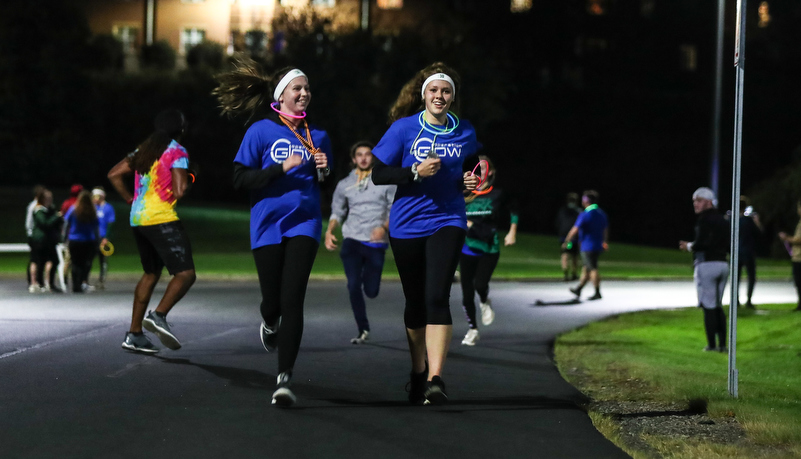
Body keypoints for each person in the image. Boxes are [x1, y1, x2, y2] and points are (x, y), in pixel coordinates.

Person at [214, 59, 332, 407]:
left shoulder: (319, 135)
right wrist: (279, 168)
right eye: (298, 88)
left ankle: (284, 377)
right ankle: (269, 321)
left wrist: (324, 171)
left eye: (307, 88)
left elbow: (321, 183)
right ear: (281, 96)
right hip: (267, 224)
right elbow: (239, 179)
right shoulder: (260, 132)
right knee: (273, 302)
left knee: (293, 298)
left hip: (305, 222)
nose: (304, 93)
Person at [371, 63, 480, 405]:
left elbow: (469, 170)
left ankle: (436, 378)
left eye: (446, 91)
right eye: (434, 90)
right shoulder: (403, 129)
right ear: (424, 94)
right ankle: (417, 372)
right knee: (416, 303)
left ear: (453, 97)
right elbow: (377, 174)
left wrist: (469, 182)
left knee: (437, 296)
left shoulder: (465, 131)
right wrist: (414, 172)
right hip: (407, 224)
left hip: (448, 219)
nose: (440, 96)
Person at [107, 109, 197, 355]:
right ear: (180, 129)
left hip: (138, 219)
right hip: (161, 219)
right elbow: (179, 191)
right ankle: (158, 315)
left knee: (150, 273)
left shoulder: (143, 150)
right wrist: (190, 177)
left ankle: (134, 334)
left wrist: (129, 199)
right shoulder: (177, 151)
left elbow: (114, 174)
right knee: (186, 274)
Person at [324, 140, 395, 345]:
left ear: (373, 157)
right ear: (354, 159)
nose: (364, 158)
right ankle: (363, 328)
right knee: (353, 285)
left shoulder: (386, 181)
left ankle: (370, 284)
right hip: (352, 240)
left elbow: (394, 208)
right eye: (360, 154)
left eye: (368, 154)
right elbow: (337, 211)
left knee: (371, 291)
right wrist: (329, 231)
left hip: (375, 242)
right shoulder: (345, 184)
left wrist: (383, 227)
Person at [458, 155, 518, 346]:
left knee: (480, 285)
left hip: (488, 248)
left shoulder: (498, 193)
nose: (478, 173)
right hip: (467, 248)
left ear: (490, 172)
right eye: (475, 169)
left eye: (482, 169)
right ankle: (472, 329)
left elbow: (514, 210)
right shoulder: (464, 194)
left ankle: (484, 301)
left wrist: (512, 232)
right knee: (466, 293)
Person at [679, 187, 730, 352]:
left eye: (699, 200)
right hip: (723, 264)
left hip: (707, 264)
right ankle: (723, 344)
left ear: (708, 202)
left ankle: (712, 345)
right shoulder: (723, 219)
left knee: (708, 306)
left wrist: (688, 246)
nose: (695, 204)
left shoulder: (704, 219)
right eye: (694, 201)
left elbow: (702, 243)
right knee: (717, 305)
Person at [564, 190, 608, 300]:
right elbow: (605, 229)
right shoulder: (601, 213)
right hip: (597, 245)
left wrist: (567, 240)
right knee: (586, 268)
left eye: (584, 199)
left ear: (587, 200)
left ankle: (597, 292)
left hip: (587, 246)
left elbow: (575, 228)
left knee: (592, 268)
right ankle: (579, 289)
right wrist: (604, 241)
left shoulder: (585, 214)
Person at [63, 190, 99, 293]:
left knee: (75, 263)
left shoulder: (74, 209)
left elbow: (66, 223)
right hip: (88, 241)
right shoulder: (92, 211)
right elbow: (96, 228)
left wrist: (65, 237)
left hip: (74, 240)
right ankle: (82, 281)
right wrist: (97, 240)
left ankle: (75, 284)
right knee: (85, 263)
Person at [29, 188, 62, 293]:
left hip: (49, 240)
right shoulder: (38, 210)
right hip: (40, 240)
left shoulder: (50, 209)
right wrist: (56, 217)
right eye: (48, 198)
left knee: (54, 260)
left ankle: (50, 283)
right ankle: (40, 283)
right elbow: (45, 224)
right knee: (40, 261)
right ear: (42, 199)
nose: (50, 199)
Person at [736, 195, 762, 309]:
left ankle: (735, 300)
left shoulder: (734, 220)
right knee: (751, 277)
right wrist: (757, 222)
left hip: (737, 253)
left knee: (736, 278)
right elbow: (759, 233)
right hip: (748, 252)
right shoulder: (748, 220)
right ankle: (749, 301)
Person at [778, 200, 801, 312]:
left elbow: (799, 240)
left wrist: (786, 238)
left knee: (799, 281)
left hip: (799, 257)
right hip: (797, 256)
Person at [92, 186, 116, 289]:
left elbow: (110, 223)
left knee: (103, 260)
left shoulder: (108, 208)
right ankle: (84, 280)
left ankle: (102, 280)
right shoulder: (93, 207)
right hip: (92, 237)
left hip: (102, 237)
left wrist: (106, 237)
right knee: (89, 259)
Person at [555, 192, 581, 281]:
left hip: (564, 236)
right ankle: (573, 274)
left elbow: (558, 223)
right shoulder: (578, 212)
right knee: (574, 256)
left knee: (565, 254)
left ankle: (566, 274)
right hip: (574, 238)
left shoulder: (562, 210)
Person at [25, 184, 45, 289]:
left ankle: (36, 281)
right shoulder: (34, 206)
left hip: (35, 236)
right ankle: (33, 281)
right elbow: (29, 223)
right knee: (35, 260)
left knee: (37, 260)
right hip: (35, 236)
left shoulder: (36, 206)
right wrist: (31, 234)